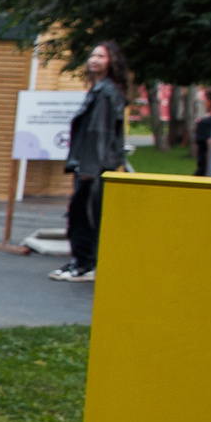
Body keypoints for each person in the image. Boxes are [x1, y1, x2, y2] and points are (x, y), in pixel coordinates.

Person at [53, 41, 130, 282]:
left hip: (93, 166)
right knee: (83, 214)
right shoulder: (102, 90)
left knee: (83, 215)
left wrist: (88, 169)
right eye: (92, 55)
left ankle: (84, 264)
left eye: (101, 56)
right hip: (93, 164)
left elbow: (99, 132)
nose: (93, 59)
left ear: (112, 62)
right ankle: (81, 261)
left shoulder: (105, 93)